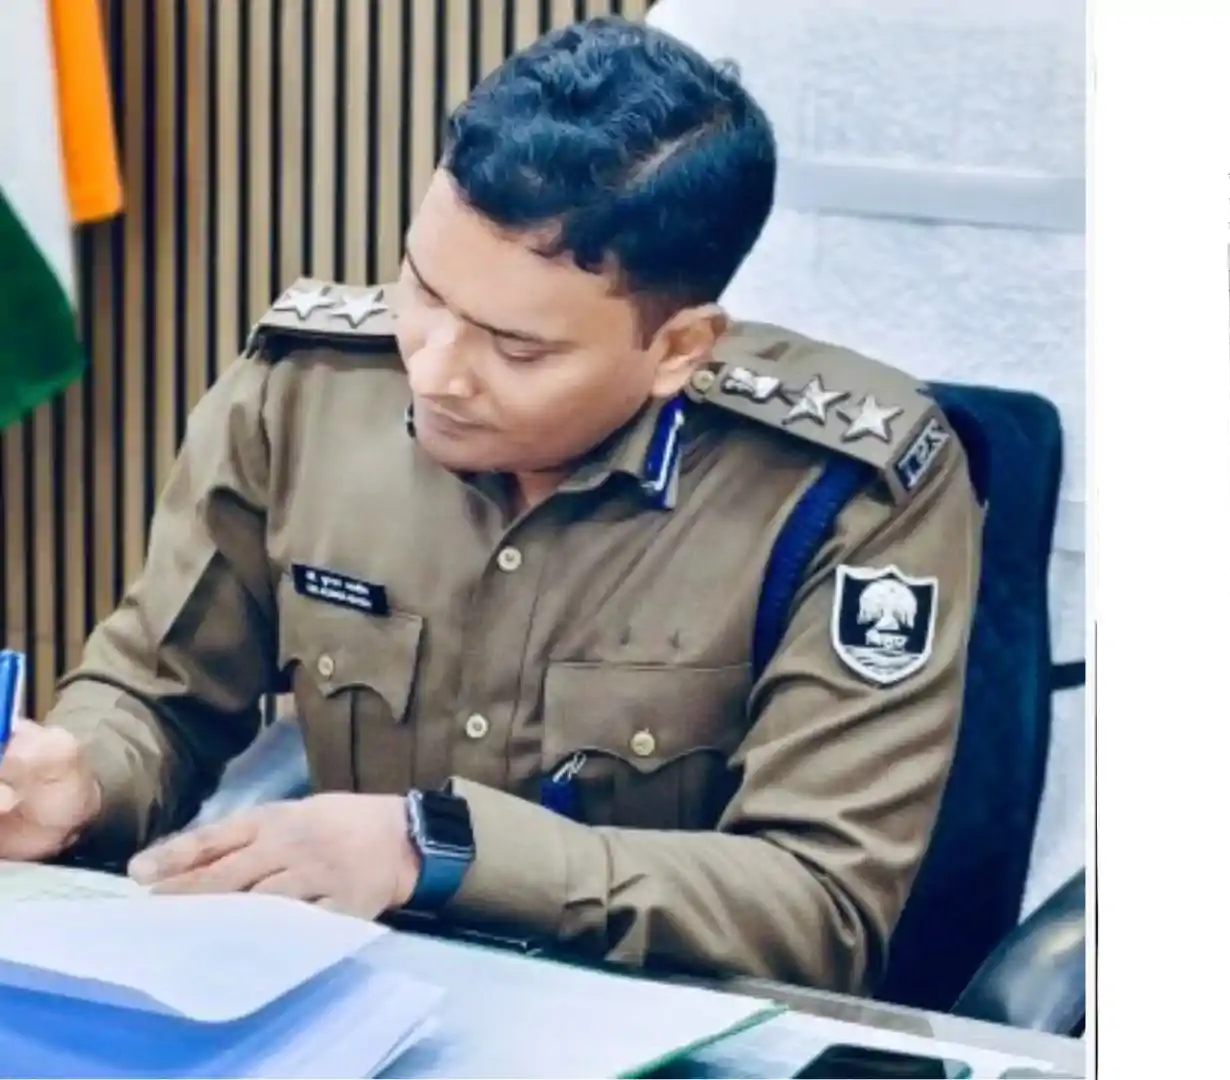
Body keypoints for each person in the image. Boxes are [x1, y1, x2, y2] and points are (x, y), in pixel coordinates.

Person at [0, 15, 980, 998]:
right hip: (349, 1004)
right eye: (423, 290)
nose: (432, 370)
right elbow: (158, 694)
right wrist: (85, 783)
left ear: (678, 348)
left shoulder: (842, 491)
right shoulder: (306, 391)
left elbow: (817, 908)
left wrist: (436, 848)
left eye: (517, 349)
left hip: (664, 1025)